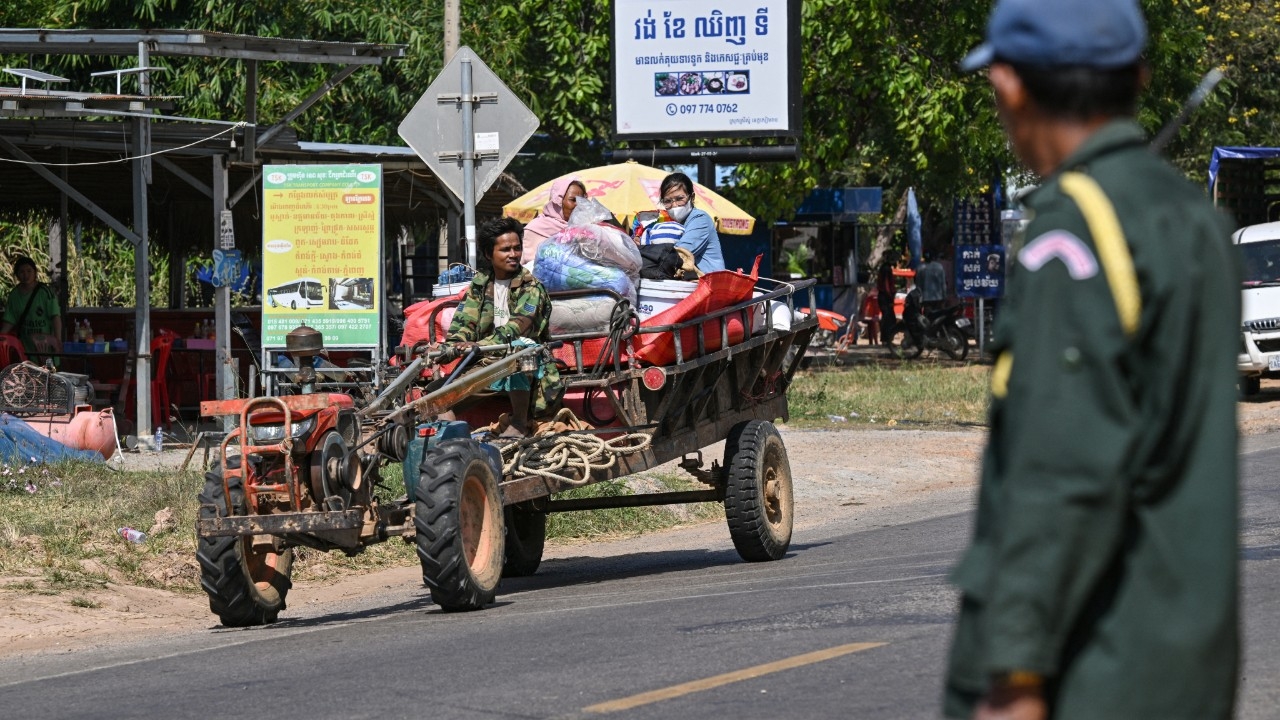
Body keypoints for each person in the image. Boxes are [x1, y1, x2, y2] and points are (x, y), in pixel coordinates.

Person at [944, 2, 1240, 720]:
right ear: (1137, 78)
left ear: (1010, 85)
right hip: (1184, 662)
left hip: (1089, 670)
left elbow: (1061, 470)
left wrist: (1015, 674)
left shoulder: (1074, 230)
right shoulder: (1189, 215)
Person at [445, 217, 562, 437]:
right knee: (438, 400)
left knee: (520, 348)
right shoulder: (480, 284)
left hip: (525, 363)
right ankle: (455, 443)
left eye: (517, 248)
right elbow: (464, 322)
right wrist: (451, 346)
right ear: (489, 254)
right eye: (506, 249)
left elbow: (517, 328)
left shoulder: (531, 287)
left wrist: (478, 345)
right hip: (486, 361)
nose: (513, 254)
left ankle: (519, 422)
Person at [654, 172, 724, 273]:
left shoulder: (700, 219)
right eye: (668, 201)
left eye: (680, 199)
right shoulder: (669, 223)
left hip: (709, 281)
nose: (674, 205)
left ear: (692, 197)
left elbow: (679, 254)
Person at [1, 255, 62, 354]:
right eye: (22, 272)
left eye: (29, 271)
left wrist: (57, 341)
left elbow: (55, 317)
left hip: (47, 350)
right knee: (27, 364)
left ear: (35, 272)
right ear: (17, 275)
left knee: (49, 364)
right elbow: (10, 320)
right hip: (25, 350)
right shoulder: (14, 295)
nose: (26, 275)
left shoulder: (45, 292)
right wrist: (2, 336)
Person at [521, 176, 586, 267]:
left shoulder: (586, 230)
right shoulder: (535, 229)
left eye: (581, 200)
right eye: (573, 200)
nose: (578, 204)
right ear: (558, 201)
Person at [875, 250, 899, 347]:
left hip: (884, 296)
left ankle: (887, 339)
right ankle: (886, 340)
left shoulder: (885, 268)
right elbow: (886, 285)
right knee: (888, 318)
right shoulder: (886, 269)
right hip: (885, 297)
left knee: (889, 318)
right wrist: (890, 296)